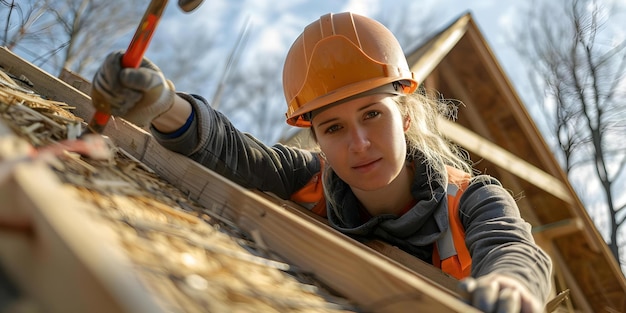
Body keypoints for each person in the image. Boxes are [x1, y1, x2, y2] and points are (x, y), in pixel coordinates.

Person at [92, 12, 552, 313]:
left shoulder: (472, 198)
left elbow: (513, 250)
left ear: (406, 116)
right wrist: (163, 105)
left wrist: (512, 286)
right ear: (317, 139)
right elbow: (235, 152)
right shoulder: (309, 179)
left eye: (372, 114)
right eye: (333, 128)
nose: (359, 143)